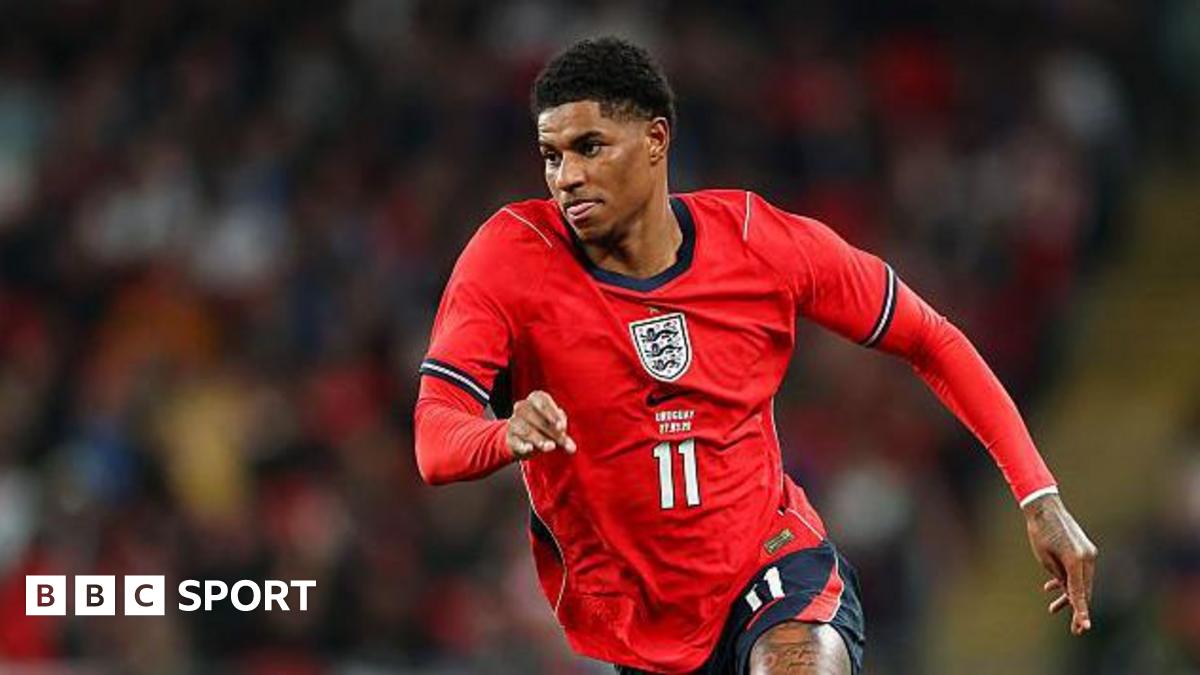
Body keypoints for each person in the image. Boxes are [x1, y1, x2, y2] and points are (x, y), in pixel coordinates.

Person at [412, 37, 1098, 675]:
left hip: (770, 568)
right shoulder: (510, 257)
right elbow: (435, 437)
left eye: (590, 146)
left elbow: (929, 336)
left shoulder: (759, 243)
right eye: (552, 154)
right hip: (639, 627)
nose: (567, 176)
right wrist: (503, 433)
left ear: (656, 140)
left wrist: (1039, 497)